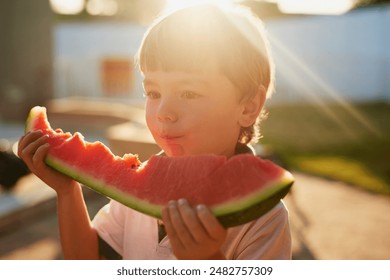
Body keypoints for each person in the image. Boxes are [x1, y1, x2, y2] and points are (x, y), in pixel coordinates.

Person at [18, 3, 291, 260]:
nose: (163, 111)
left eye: (189, 92)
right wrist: (68, 192)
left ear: (248, 106)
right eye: (153, 92)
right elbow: (88, 260)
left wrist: (207, 260)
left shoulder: (266, 219)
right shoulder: (137, 190)